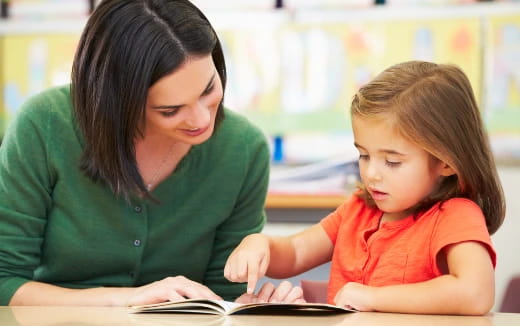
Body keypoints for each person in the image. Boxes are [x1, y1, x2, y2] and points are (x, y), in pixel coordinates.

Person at [0, 0, 303, 306]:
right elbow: (4, 281)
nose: (201, 120)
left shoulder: (243, 149)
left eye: (208, 90)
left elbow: (220, 295)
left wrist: (246, 307)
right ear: (117, 103)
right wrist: (127, 299)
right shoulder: (45, 125)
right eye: (170, 110)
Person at [225, 61, 506, 315]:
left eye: (392, 161)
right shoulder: (358, 209)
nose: (371, 174)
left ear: (446, 163)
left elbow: (475, 294)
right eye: (364, 155)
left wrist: (373, 297)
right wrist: (259, 245)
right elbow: (297, 251)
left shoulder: (455, 215)